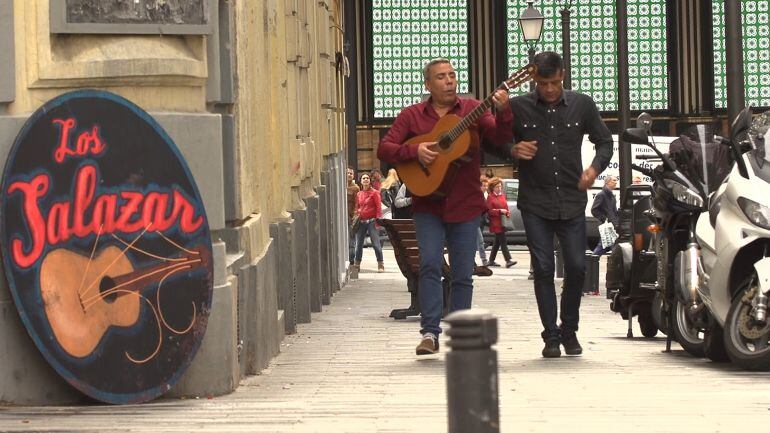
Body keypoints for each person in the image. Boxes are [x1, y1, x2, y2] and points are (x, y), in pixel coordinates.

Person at [377, 58, 513, 355]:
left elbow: (501, 139)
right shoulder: (412, 116)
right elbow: (385, 148)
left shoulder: (472, 109)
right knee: (428, 265)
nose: (449, 80)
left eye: (452, 75)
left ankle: (461, 334)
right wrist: (416, 151)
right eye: (441, 77)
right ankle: (429, 333)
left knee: (463, 272)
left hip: (465, 205)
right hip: (428, 205)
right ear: (428, 84)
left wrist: (503, 112)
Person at [509, 51, 613, 358]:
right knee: (542, 268)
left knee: (578, 267)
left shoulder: (582, 104)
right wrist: (512, 149)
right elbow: (491, 140)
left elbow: (604, 141)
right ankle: (551, 336)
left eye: (554, 82)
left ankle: (569, 330)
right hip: (534, 201)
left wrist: (594, 169)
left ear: (563, 75)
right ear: (534, 80)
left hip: (570, 198)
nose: (550, 89)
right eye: (543, 83)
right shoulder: (519, 108)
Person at [353, 173, 385, 273]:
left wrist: (378, 221)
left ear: (369, 181)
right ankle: (357, 264)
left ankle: (381, 264)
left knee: (376, 244)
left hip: (372, 221)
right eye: (363, 178)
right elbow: (357, 207)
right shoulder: (359, 194)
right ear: (361, 181)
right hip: (361, 221)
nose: (366, 180)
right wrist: (357, 214)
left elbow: (379, 208)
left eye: (367, 178)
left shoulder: (375, 193)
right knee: (358, 245)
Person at [485, 177, 516, 268]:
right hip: (496, 223)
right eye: (497, 187)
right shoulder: (490, 197)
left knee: (497, 242)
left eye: (500, 186)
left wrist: (507, 212)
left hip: (503, 222)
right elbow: (489, 211)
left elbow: (505, 206)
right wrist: (499, 211)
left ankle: (491, 260)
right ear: (492, 188)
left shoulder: (502, 195)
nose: (499, 188)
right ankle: (508, 260)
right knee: (503, 241)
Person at [591, 175, 619, 255]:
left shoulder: (611, 196)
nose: (616, 182)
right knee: (613, 247)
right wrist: (604, 218)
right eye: (614, 180)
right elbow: (594, 210)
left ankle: (592, 262)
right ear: (608, 182)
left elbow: (613, 211)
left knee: (603, 247)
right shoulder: (602, 195)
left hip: (612, 225)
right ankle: (592, 262)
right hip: (607, 226)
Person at [346, 167, 360, 266]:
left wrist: (355, 215)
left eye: (351, 173)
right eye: (348, 173)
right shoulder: (341, 186)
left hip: (350, 216)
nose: (349, 175)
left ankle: (351, 259)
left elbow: (357, 203)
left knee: (351, 238)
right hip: (343, 215)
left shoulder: (356, 188)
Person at [476, 175, 489, 266]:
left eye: (486, 186)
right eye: (483, 186)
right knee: (480, 241)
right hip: (474, 222)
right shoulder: (476, 196)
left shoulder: (483, 196)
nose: (485, 188)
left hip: (480, 222)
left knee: (475, 242)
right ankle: (484, 260)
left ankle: (472, 261)